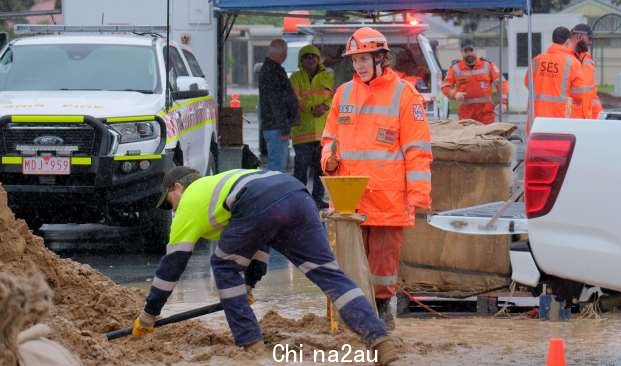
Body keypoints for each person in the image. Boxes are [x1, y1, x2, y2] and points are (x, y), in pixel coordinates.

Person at [131, 167, 399, 365]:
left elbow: (172, 267)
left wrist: (149, 314)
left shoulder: (190, 202)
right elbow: (260, 242)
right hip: (295, 194)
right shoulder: (223, 182)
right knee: (329, 275)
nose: (173, 209)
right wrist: (249, 284)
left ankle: (251, 345)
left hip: (260, 201)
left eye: (170, 202)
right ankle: (380, 340)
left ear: (177, 188)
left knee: (223, 266)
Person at [320, 27, 433, 330]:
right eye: (355, 60)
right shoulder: (343, 93)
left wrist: (419, 195)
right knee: (349, 264)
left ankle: (382, 313)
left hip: (387, 199)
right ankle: (353, 316)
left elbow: (418, 151)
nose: (358, 65)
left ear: (382, 58)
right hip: (348, 199)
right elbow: (329, 138)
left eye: (364, 59)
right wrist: (329, 161)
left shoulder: (405, 96)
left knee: (383, 266)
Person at [290, 45, 334, 209]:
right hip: (302, 132)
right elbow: (295, 99)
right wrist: (312, 108)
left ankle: (317, 197)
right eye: (307, 57)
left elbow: (332, 96)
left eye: (313, 57)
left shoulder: (326, 77)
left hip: (322, 132)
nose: (311, 60)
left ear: (318, 59)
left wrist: (325, 107)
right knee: (301, 169)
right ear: (301, 60)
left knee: (320, 169)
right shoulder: (295, 78)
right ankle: (298, 199)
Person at [524, 27, 592, 129]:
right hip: (559, 120)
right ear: (568, 41)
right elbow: (579, 95)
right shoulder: (573, 62)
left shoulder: (537, 60)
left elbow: (527, 83)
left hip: (536, 120)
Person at [258, 39, 299, 172]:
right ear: (280, 53)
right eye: (285, 52)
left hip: (275, 126)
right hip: (276, 128)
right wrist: (284, 128)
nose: (286, 56)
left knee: (278, 164)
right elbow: (276, 102)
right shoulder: (272, 72)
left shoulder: (272, 69)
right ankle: (275, 192)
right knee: (277, 168)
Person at [441, 39, 502, 124]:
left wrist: (504, 102)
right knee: (468, 137)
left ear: (476, 50)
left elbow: (502, 84)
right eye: (466, 51)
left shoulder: (488, 65)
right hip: (466, 114)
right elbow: (444, 87)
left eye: (471, 50)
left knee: (488, 136)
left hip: (486, 113)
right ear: (462, 52)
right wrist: (455, 94)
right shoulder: (455, 68)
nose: (469, 53)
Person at [571, 23, 602, 119]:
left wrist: (599, 115)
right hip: (570, 119)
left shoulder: (588, 59)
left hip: (586, 119)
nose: (590, 42)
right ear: (579, 36)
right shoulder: (566, 58)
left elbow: (592, 93)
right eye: (589, 38)